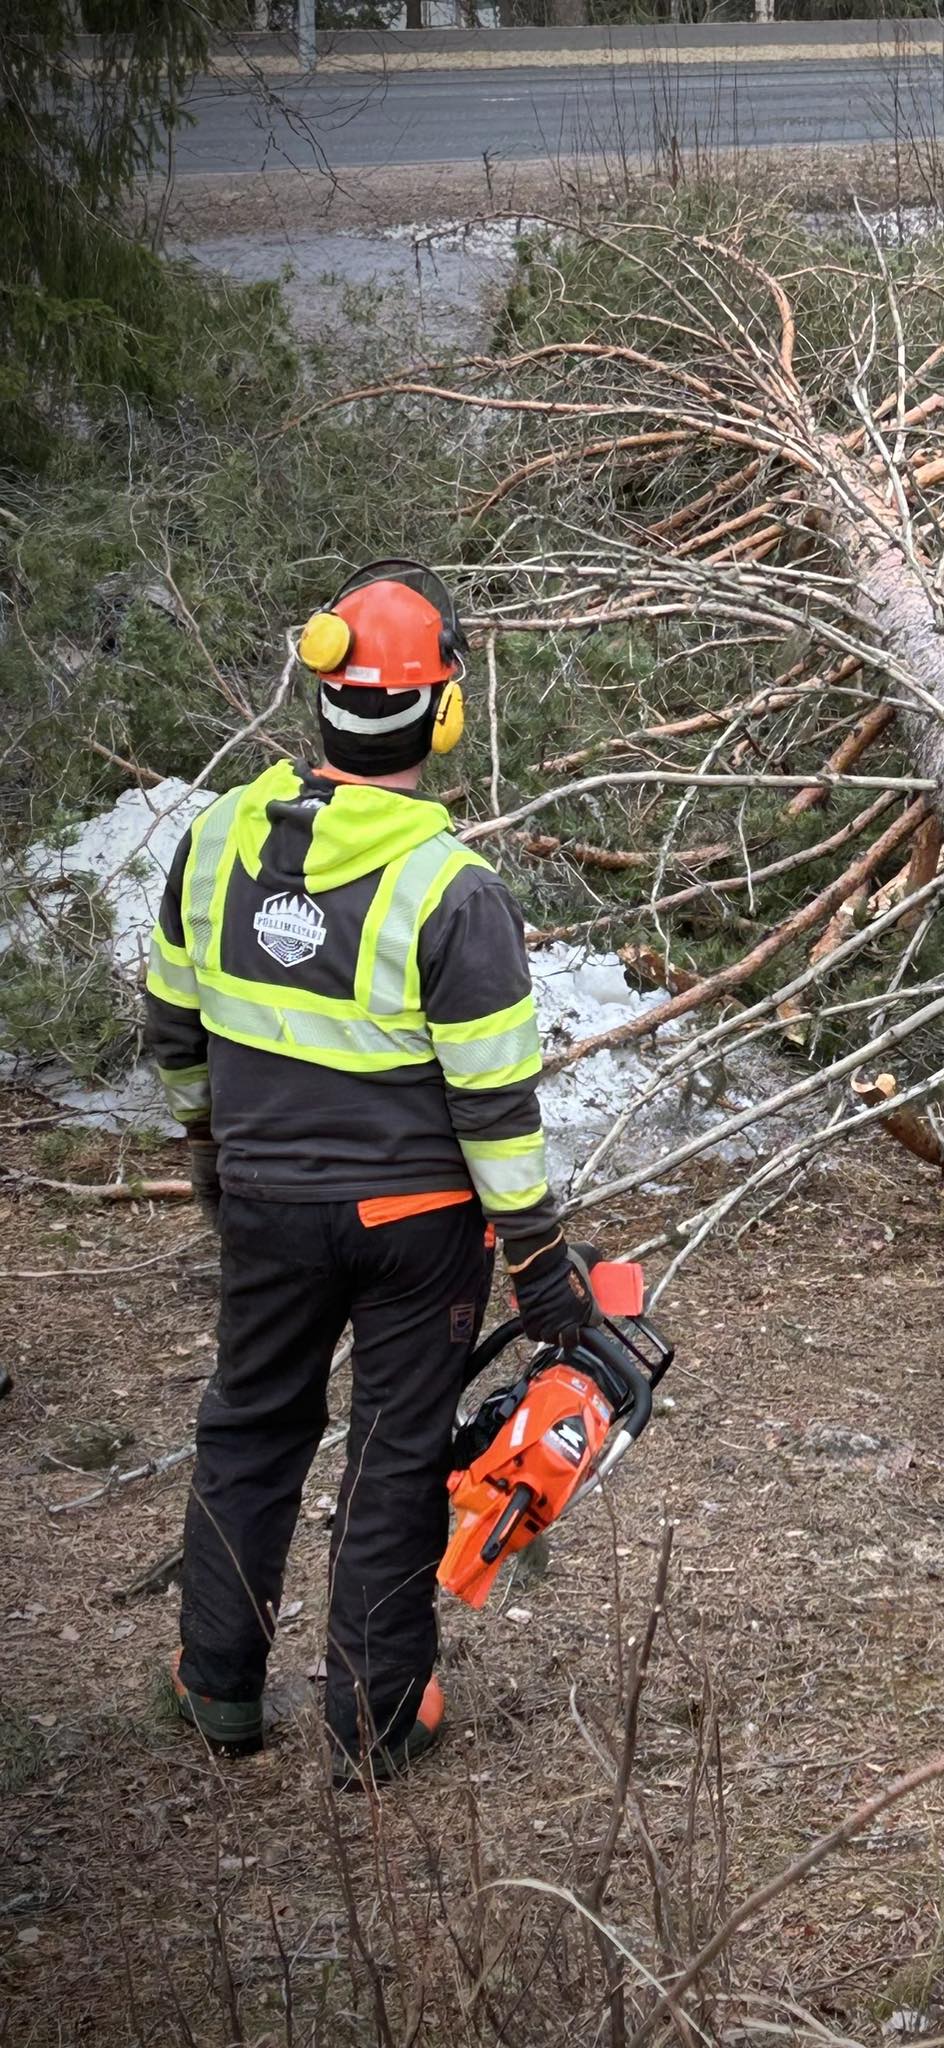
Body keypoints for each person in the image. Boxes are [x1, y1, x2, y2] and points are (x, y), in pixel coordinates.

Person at [143, 561, 592, 1781]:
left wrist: (206, 1154)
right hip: (417, 1225)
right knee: (396, 1448)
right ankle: (375, 1716)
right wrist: (543, 1261)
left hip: (268, 1204)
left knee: (250, 1424)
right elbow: (494, 1107)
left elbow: (173, 1031)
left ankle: (218, 1683)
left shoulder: (220, 837)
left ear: (323, 694)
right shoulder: (452, 889)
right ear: (443, 715)